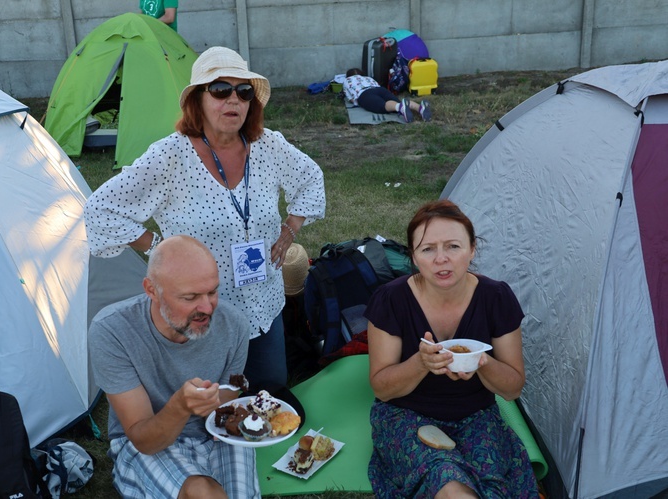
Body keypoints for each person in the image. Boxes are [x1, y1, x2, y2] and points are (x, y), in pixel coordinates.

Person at [84, 46, 326, 394]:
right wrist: (158, 247)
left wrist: (290, 229)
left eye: (243, 92)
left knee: (271, 398)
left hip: (263, 302)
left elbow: (310, 178)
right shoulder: (171, 155)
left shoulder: (268, 145)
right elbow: (101, 208)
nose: (234, 100)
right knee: (213, 409)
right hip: (204, 311)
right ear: (197, 100)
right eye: (220, 90)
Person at [365, 200, 538, 498]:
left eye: (453, 247)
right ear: (414, 257)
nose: (441, 259)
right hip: (406, 415)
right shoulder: (391, 300)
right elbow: (382, 389)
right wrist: (420, 363)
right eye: (428, 249)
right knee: (448, 484)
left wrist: (482, 362)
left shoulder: (496, 298)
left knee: (491, 489)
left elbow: (512, 390)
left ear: (472, 249)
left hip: (476, 415)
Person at [89, 235, 259, 498]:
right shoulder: (112, 331)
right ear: (151, 290)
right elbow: (143, 439)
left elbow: (226, 402)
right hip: (149, 439)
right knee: (202, 492)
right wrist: (180, 406)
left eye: (212, 292)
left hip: (213, 433)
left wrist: (224, 409)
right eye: (190, 297)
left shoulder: (234, 325)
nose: (207, 308)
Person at [343, 67, 431, 123]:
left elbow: (351, 98)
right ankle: (420, 108)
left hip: (365, 93)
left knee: (382, 106)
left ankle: (400, 107)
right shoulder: (368, 78)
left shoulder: (347, 81)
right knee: (399, 102)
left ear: (348, 76)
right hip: (380, 89)